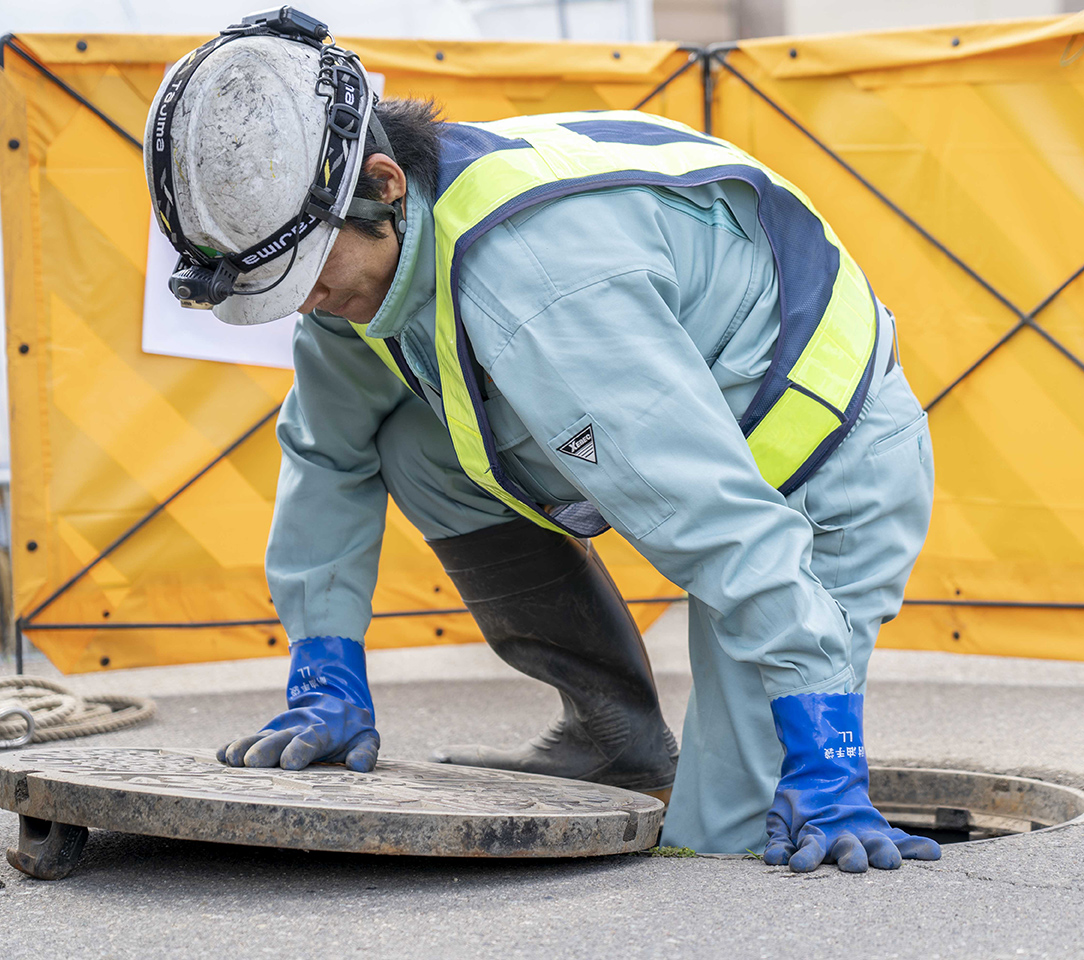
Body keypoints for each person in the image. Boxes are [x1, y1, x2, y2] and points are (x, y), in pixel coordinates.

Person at [143, 9, 941, 874]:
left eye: (309, 277)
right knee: (411, 436)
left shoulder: (537, 282)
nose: (304, 302)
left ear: (383, 182)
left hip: (823, 473)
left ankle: (769, 776)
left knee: (727, 838)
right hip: (701, 433)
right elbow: (327, 451)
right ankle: (615, 733)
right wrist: (322, 667)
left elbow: (716, 515)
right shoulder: (368, 251)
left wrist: (826, 753)